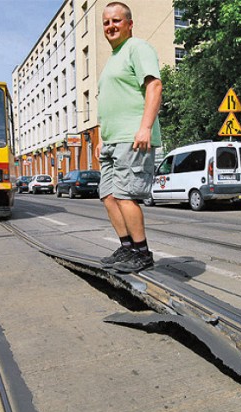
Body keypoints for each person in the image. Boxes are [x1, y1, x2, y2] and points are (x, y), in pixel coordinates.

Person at [94, 2, 162, 273]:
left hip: (132, 137)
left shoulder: (137, 48)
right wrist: (100, 137)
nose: (110, 26)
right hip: (111, 140)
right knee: (108, 196)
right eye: (106, 22)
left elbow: (154, 86)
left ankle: (142, 253)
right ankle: (126, 248)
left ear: (129, 24)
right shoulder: (112, 60)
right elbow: (107, 103)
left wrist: (145, 127)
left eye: (116, 21)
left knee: (125, 196)